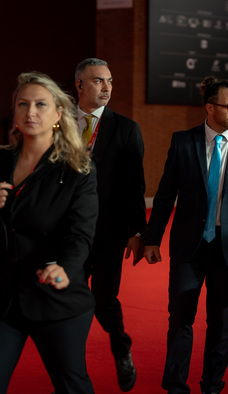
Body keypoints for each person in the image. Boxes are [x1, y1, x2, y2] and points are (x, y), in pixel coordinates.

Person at [143, 79, 228, 394]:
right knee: (181, 318)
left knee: (220, 321)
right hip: (189, 244)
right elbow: (164, 194)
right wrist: (152, 238)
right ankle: (175, 385)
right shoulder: (183, 142)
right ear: (210, 107)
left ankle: (212, 385)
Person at [0, 72, 98, 393]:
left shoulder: (76, 169)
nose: (31, 112)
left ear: (58, 114)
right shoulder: (0, 162)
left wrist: (65, 268)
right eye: (23, 104)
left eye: (41, 104)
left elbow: (81, 233)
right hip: (6, 299)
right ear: (14, 113)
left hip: (55, 297)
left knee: (72, 386)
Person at [75, 58, 147, 392]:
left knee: (104, 299)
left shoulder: (126, 128)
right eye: (98, 81)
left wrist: (136, 231)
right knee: (67, 303)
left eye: (109, 81)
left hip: (107, 232)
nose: (106, 88)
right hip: (66, 234)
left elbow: (135, 186)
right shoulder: (57, 123)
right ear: (79, 85)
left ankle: (121, 348)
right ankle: (70, 375)